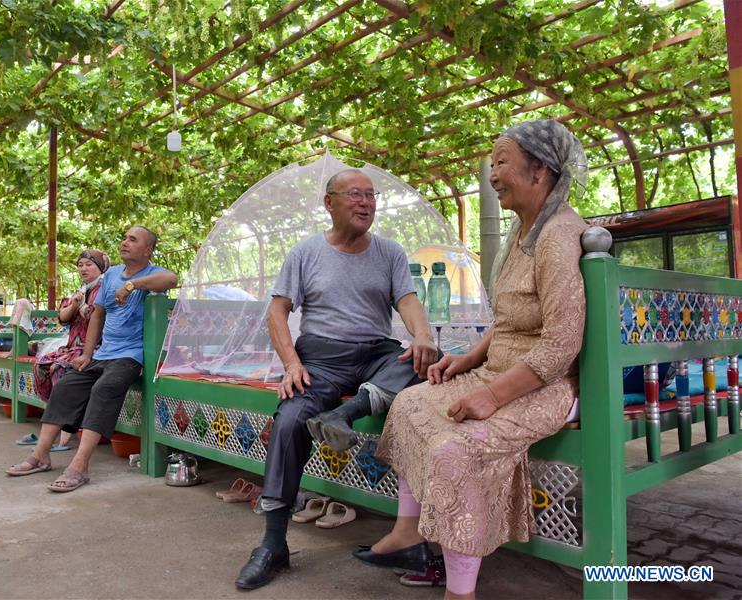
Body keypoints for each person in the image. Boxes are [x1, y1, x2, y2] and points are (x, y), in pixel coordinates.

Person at [358, 119, 588, 600]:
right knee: (410, 404)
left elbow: (561, 343)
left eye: (502, 162)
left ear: (540, 171)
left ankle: (460, 590)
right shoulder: (523, 233)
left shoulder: (559, 235)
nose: (493, 173)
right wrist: (466, 360)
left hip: (543, 386)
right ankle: (407, 530)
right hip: (499, 370)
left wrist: (492, 395)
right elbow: (508, 322)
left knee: (453, 450)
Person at [234, 169, 438, 590]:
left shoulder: (390, 252)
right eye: (355, 195)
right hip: (321, 356)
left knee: (422, 362)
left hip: (374, 352)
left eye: (371, 196)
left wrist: (422, 335)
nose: (367, 203)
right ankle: (273, 544)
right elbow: (276, 313)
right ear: (329, 203)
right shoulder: (305, 252)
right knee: (290, 420)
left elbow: (409, 301)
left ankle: (345, 413)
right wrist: (292, 364)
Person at [6, 226, 178, 492]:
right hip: (103, 354)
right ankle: (40, 455)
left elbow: (171, 279)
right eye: (124, 238)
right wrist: (87, 354)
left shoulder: (152, 272)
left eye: (133, 240)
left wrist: (133, 285)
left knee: (104, 388)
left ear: (147, 250)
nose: (125, 243)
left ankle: (79, 465)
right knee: (65, 385)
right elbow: (97, 316)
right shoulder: (109, 276)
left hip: (130, 356)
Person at [30, 249, 110, 451]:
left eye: (89, 264)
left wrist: (81, 306)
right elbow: (63, 317)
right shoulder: (81, 290)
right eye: (80, 265)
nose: (83, 268)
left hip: (94, 347)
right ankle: (53, 422)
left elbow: (95, 316)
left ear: (100, 267)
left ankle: (65, 434)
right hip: (72, 346)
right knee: (41, 364)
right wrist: (76, 304)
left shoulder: (104, 288)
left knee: (60, 369)